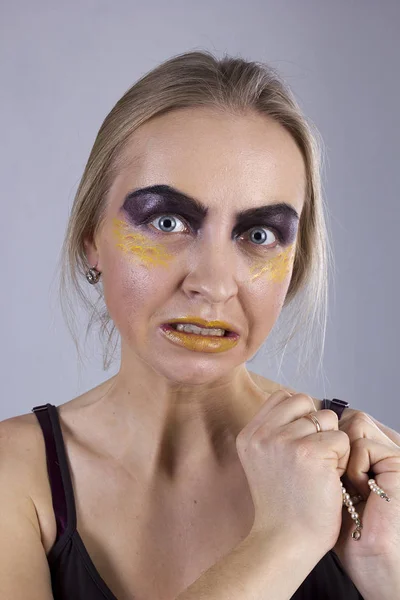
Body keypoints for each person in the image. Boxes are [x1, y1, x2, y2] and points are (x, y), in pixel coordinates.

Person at [1, 50, 399, 600]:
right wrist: (282, 540)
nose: (213, 284)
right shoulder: (13, 475)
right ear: (91, 237)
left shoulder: (373, 480)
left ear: (295, 262)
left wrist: (386, 574)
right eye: (168, 221)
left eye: (259, 235)